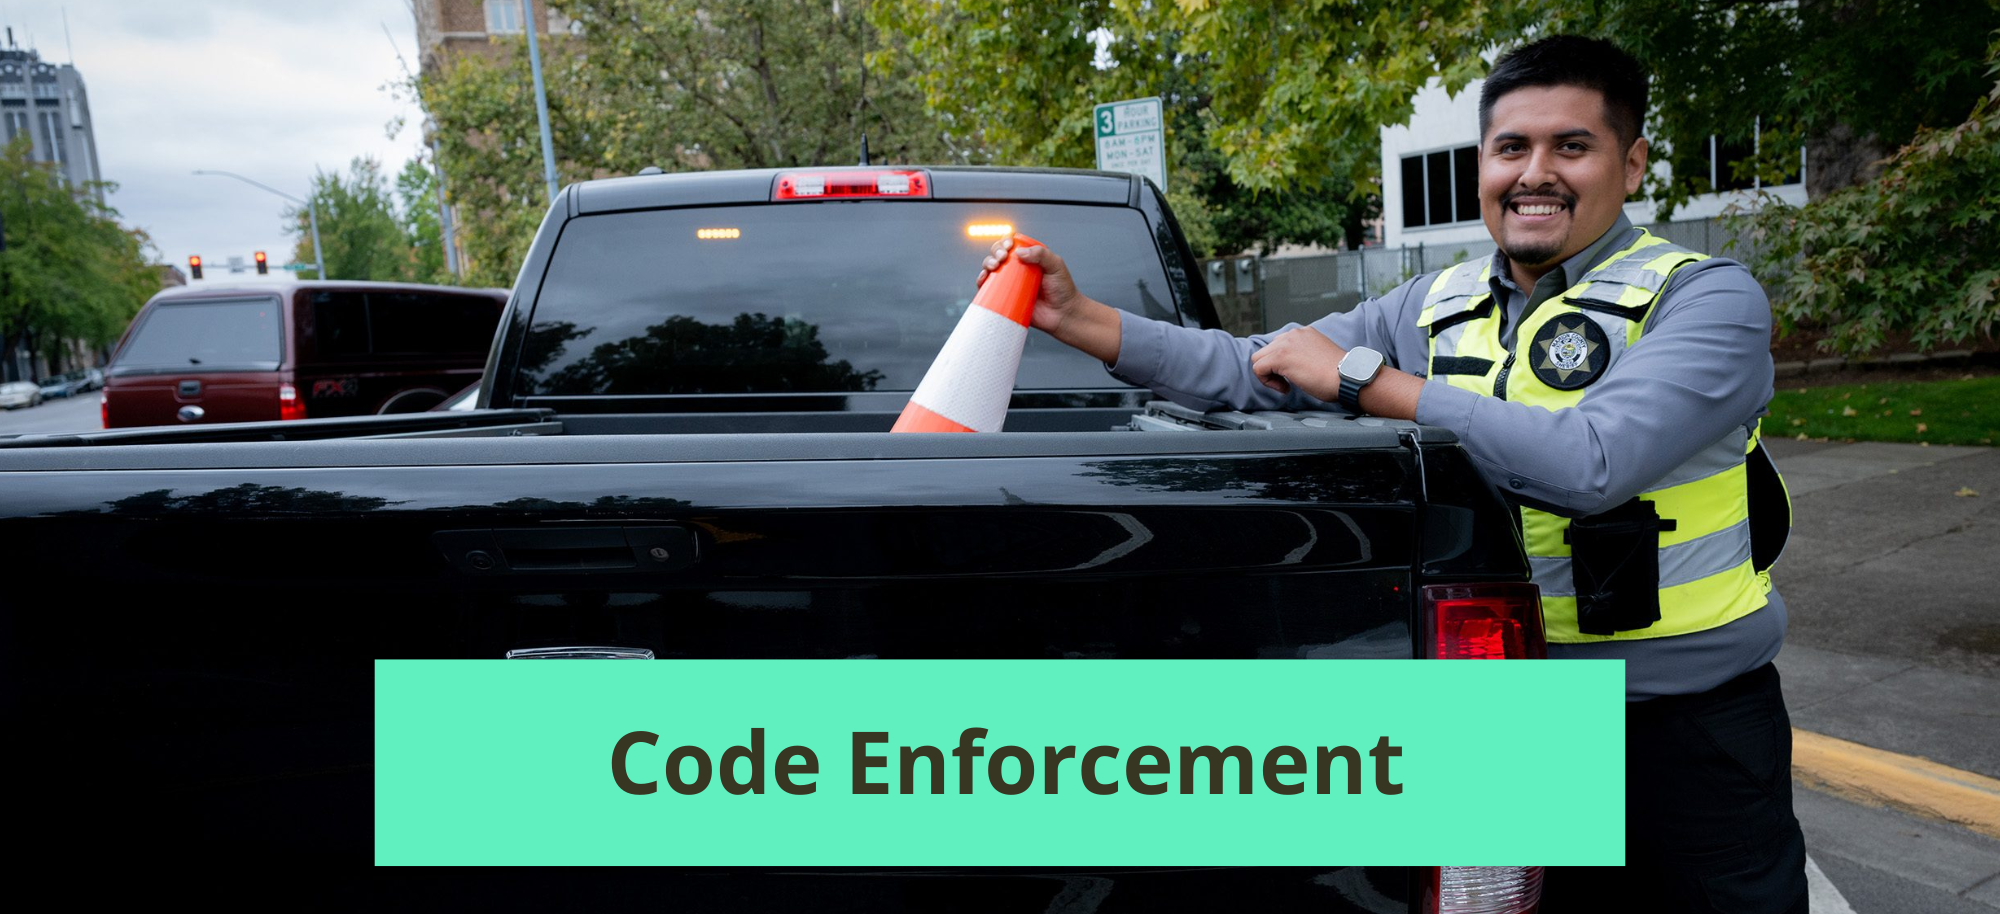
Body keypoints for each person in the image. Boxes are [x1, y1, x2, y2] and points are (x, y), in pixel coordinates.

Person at [981, 35, 1808, 914]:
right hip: (1511, 726)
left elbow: (1591, 463)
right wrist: (1085, 320)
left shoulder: (1705, 297)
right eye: (1511, 149)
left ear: (1631, 163)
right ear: (1482, 165)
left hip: (1691, 727)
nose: (1537, 173)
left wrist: (1370, 383)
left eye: (1572, 146)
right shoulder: (1431, 304)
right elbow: (1254, 367)